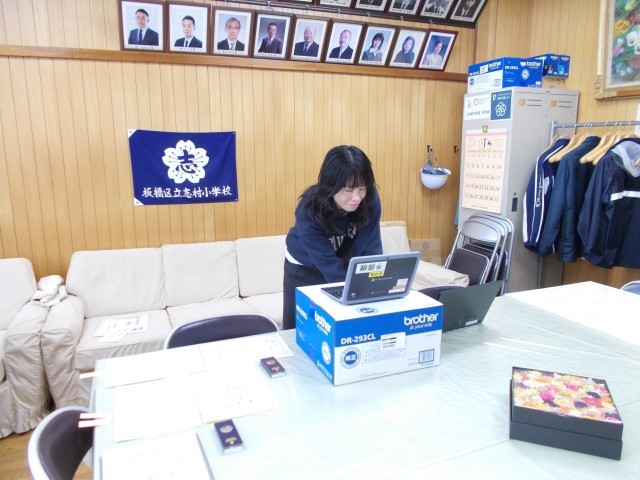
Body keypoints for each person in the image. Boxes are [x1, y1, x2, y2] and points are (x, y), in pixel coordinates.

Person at [282, 146, 383, 330]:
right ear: (331, 185)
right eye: (348, 189)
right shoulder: (309, 209)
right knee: (300, 328)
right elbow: (329, 266)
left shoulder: (370, 199)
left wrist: (373, 287)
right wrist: (354, 293)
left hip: (344, 262)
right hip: (304, 268)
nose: (356, 197)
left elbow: (370, 249)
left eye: (362, 188)